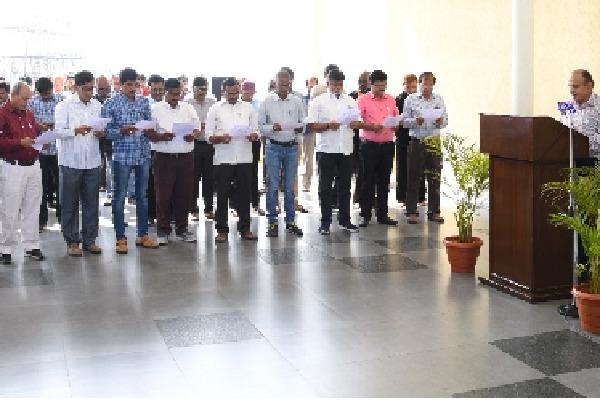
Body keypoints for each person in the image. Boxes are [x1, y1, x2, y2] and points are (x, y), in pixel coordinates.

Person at [101, 67, 160, 254]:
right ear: (120, 84)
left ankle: (142, 234)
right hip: (122, 156)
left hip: (142, 153)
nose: (132, 88)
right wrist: (121, 131)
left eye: (135, 84)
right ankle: (120, 237)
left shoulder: (143, 102)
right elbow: (103, 132)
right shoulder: (111, 104)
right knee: (119, 197)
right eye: (128, 85)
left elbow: (149, 125)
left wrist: (150, 131)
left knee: (142, 196)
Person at [54, 70, 104, 256]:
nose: (89, 93)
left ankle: (90, 239)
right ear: (76, 87)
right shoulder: (64, 106)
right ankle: (72, 241)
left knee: (91, 203)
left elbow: (101, 128)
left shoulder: (97, 106)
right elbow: (58, 132)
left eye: (92, 89)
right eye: (86, 89)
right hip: (70, 161)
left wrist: (100, 133)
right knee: (69, 203)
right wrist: (75, 130)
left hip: (92, 161)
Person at [307, 69, 361, 235]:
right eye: (334, 84)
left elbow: (358, 121)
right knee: (325, 187)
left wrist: (355, 124)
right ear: (327, 82)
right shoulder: (319, 101)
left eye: (340, 84)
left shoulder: (350, 101)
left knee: (345, 186)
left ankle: (345, 220)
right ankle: (325, 222)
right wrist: (328, 126)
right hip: (327, 150)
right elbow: (311, 125)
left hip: (345, 149)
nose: (337, 87)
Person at [206, 78, 260, 243]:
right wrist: (220, 138)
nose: (233, 96)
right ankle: (222, 229)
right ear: (223, 92)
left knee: (245, 194)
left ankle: (245, 228)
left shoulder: (248, 108)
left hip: (244, 157)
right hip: (223, 158)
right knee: (222, 195)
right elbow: (208, 136)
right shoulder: (215, 109)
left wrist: (253, 135)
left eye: (236, 92)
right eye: (230, 93)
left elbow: (256, 130)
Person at [0, 82, 45, 264]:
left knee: (33, 207)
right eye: (25, 99)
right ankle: (6, 248)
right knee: (10, 209)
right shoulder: (3, 114)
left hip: (33, 165)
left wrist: (41, 136)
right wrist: (20, 143)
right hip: (12, 166)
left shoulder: (29, 114)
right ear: (13, 95)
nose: (27, 102)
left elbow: (33, 135)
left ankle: (31, 245)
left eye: (29, 99)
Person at [151, 78, 200, 245]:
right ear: (165, 92)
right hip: (164, 158)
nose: (176, 97)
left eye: (178, 94)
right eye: (172, 94)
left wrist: (192, 135)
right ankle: (163, 231)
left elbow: (197, 128)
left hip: (186, 157)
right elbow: (149, 133)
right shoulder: (155, 109)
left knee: (184, 195)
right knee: (163, 196)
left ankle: (182, 229)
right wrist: (162, 136)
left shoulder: (188, 108)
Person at [258, 69, 305, 238]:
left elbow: (303, 123)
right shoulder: (266, 101)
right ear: (275, 83)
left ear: (291, 82)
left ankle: (291, 221)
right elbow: (260, 126)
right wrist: (272, 128)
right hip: (273, 147)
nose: (285, 86)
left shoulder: (297, 101)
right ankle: (272, 221)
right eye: (281, 83)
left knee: (289, 187)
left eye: (288, 83)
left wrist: (299, 131)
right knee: (272, 186)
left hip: (291, 147)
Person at [402, 72, 448, 224]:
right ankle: (411, 211)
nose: (426, 87)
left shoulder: (439, 99)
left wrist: (441, 121)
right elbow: (404, 122)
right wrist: (416, 121)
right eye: (423, 84)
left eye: (429, 84)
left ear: (433, 85)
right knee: (414, 177)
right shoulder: (411, 99)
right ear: (419, 83)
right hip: (417, 141)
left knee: (434, 177)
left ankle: (434, 211)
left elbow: (446, 120)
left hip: (433, 141)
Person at [357, 69, 400, 227]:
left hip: (387, 145)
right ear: (370, 84)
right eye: (378, 86)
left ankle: (382, 214)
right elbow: (356, 122)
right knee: (367, 180)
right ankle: (365, 214)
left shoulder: (391, 99)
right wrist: (371, 126)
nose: (382, 90)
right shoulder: (363, 100)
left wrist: (396, 124)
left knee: (384, 181)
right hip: (369, 145)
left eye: (384, 86)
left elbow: (396, 117)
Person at [567, 69, 599, 268]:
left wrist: (583, 141)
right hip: (568, 165)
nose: (572, 91)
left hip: (591, 166)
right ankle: (571, 263)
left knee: (587, 218)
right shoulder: (567, 107)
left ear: (589, 86)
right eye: (570, 86)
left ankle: (588, 267)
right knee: (571, 216)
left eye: (576, 86)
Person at [28, 77, 64, 231]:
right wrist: (39, 126)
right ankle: (41, 220)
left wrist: (57, 126)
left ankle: (63, 219)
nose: (46, 96)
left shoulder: (62, 101)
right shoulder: (32, 103)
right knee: (40, 187)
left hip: (59, 150)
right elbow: (29, 124)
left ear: (52, 88)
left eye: (48, 92)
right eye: (43, 94)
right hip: (40, 149)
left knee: (61, 185)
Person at [186, 76, 216, 221]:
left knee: (209, 178)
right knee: (193, 177)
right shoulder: (187, 103)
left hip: (209, 144)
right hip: (194, 145)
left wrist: (207, 126)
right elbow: (185, 123)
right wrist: (199, 126)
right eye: (200, 89)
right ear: (193, 89)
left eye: (205, 89)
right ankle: (193, 208)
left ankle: (209, 208)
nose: (202, 93)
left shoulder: (212, 102)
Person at [395, 74, 426, 206]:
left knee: (419, 168)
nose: (411, 89)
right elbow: (398, 118)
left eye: (414, 86)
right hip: (402, 137)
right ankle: (402, 197)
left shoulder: (420, 99)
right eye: (408, 86)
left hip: (417, 136)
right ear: (404, 85)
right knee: (402, 168)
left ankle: (420, 196)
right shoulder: (398, 99)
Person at [240, 80, 265, 216]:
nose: (249, 95)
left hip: (253, 141)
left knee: (253, 172)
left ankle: (255, 204)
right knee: (238, 174)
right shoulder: (237, 105)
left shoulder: (257, 105)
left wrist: (255, 134)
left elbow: (259, 125)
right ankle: (236, 206)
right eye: (247, 93)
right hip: (238, 142)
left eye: (251, 93)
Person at [348, 71, 371, 206]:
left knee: (364, 169)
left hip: (366, 138)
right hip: (351, 137)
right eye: (360, 81)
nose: (362, 84)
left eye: (365, 81)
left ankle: (360, 197)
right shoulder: (352, 96)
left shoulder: (375, 98)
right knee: (348, 170)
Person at [95, 76, 113, 203]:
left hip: (110, 139)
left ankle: (111, 194)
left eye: (106, 88)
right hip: (95, 141)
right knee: (97, 167)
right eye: (101, 88)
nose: (103, 91)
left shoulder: (114, 101)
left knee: (112, 168)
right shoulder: (92, 102)